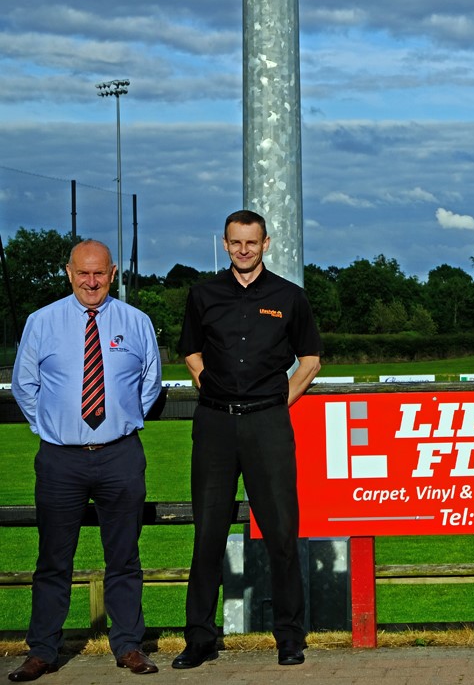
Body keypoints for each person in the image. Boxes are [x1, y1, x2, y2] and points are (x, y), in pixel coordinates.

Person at [172, 210, 321, 669]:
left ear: (266, 243)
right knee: (208, 535)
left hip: (267, 425)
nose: (243, 250)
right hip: (215, 425)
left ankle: (290, 637)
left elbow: (310, 360)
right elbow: (191, 352)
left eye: (251, 243)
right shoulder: (203, 295)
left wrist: (278, 402)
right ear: (225, 243)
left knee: (280, 533)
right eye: (235, 243)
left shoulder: (289, 297)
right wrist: (210, 387)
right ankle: (200, 638)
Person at [9, 240, 162, 681]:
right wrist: (55, 430)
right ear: (69, 273)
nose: (91, 282)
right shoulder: (42, 322)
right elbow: (25, 386)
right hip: (60, 460)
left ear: (112, 273)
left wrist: (120, 420)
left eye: (99, 274)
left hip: (120, 455)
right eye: (82, 274)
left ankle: (129, 646)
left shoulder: (136, 322)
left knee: (124, 558)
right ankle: (42, 651)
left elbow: (149, 384)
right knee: (53, 560)